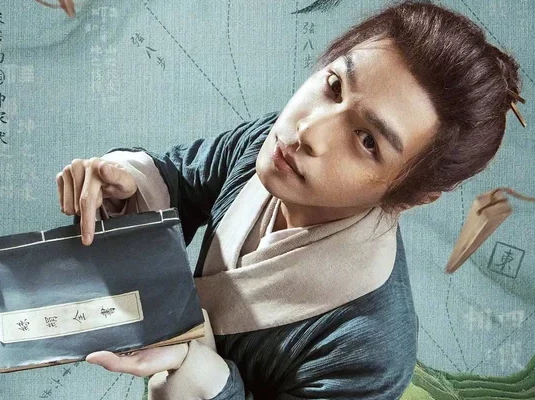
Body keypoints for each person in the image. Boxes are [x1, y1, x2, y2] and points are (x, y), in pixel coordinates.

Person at [55, 1, 523, 398]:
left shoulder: (371, 349)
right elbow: (185, 180)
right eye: (334, 86)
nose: (308, 130)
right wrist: (125, 183)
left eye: (366, 141)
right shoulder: (271, 146)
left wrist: (203, 381)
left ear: (414, 196)